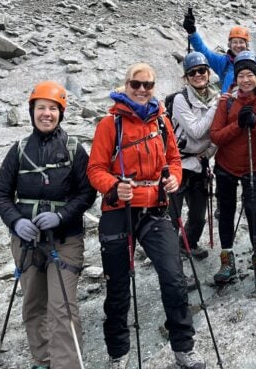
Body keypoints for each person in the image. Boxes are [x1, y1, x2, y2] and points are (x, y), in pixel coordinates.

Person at [87, 63, 205, 369]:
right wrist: (114, 186)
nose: (141, 90)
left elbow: (174, 158)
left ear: (154, 87)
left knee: (174, 278)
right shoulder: (109, 125)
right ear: (125, 85)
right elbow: (95, 169)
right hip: (118, 209)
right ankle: (118, 353)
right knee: (117, 287)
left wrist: (174, 178)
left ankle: (183, 346)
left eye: (147, 85)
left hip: (155, 207)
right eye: (136, 84)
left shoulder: (161, 121)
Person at [0, 81, 96, 369]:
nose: (46, 114)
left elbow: (87, 192)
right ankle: (43, 358)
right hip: (26, 242)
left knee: (62, 305)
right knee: (34, 303)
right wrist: (16, 221)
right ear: (32, 111)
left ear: (61, 113)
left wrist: (61, 217)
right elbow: (1, 192)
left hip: (65, 240)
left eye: (53, 108)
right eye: (41, 108)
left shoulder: (74, 149)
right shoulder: (19, 149)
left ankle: (67, 365)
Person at [209, 52, 256, 290]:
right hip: (226, 167)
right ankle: (227, 261)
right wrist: (238, 125)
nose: (245, 79)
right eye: (241, 75)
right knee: (227, 212)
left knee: (253, 211)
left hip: (255, 167)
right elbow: (216, 136)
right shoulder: (226, 101)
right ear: (235, 78)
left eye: (250, 74)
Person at [168, 52, 220, 263]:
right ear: (186, 77)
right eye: (192, 72)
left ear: (208, 73)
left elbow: (217, 135)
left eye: (201, 71)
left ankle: (187, 242)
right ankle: (170, 254)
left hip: (200, 163)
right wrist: (216, 106)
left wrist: (206, 154)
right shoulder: (181, 99)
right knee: (173, 214)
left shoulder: (217, 98)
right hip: (177, 163)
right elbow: (197, 131)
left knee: (198, 216)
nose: (198, 75)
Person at [182, 7, 250, 92]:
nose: (238, 45)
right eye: (235, 42)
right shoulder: (223, 63)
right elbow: (204, 52)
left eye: (241, 42)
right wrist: (192, 32)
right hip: (228, 104)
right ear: (229, 45)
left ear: (246, 45)